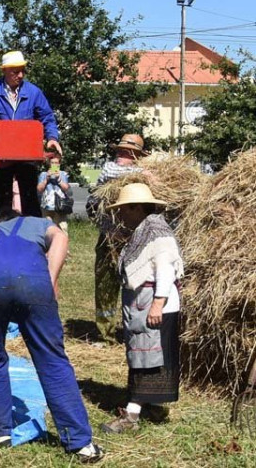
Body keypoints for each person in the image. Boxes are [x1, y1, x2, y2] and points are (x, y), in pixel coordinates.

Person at [0, 207, 104, 462]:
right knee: (51, 359)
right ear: (17, 218)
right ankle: (79, 443)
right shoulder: (36, 222)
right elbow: (61, 238)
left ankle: (0, 432)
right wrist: (50, 280)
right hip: (31, 281)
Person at [101, 183, 182, 433]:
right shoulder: (143, 230)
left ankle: (132, 415)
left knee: (147, 358)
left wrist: (157, 304)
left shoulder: (157, 233)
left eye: (125, 209)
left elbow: (166, 269)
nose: (122, 214)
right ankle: (154, 405)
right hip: (144, 303)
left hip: (156, 304)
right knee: (149, 358)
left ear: (137, 208)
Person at [0, 51, 61, 218]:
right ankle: (4, 238)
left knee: (31, 204)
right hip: (1, 158)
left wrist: (52, 138)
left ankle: (33, 239)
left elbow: (47, 117)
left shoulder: (34, 92)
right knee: (2, 208)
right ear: (4, 71)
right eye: (15, 71)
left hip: (27, 156)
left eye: (22, 71)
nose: (20, 75)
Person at [91, 134, 146, 342]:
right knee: (106, 284)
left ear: (137, 156)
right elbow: (114, 174)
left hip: (134, 240)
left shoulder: (142, 174)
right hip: (109, 237)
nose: (121, 154)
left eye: (127, 152)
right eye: (120, 150)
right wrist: (143, 174)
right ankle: (105, 332)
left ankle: (133, 328)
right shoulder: (110, 169)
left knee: (136, 284)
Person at [37, 154, 71, 234]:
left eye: (56, 163)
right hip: (47, 206)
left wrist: (59, 179)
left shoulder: (63, 174)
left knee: (62, 228)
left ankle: (63, 245)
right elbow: (39, 189)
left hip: (60, 206)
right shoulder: (43, 174)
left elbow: (66, 188)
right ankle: (48, 245)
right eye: (52, 163)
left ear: (59, 164)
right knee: (47, 229)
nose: (54, 165)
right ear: (49, 163)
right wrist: (46, 179)